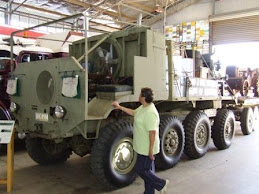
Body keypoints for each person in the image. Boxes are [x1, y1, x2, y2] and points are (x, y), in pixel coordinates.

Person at [111, 87, 169, 194]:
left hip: (147, 148)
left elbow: (152, 133)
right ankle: (149, 192)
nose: (138, 96)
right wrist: (119, 107)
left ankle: (161, 184)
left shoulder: (150, 112)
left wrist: (150, 151)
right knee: (148, 171)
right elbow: (134, 113)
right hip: (142, 146)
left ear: (143, 97)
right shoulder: (143, 107)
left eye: (140, 95)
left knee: (141, 170)